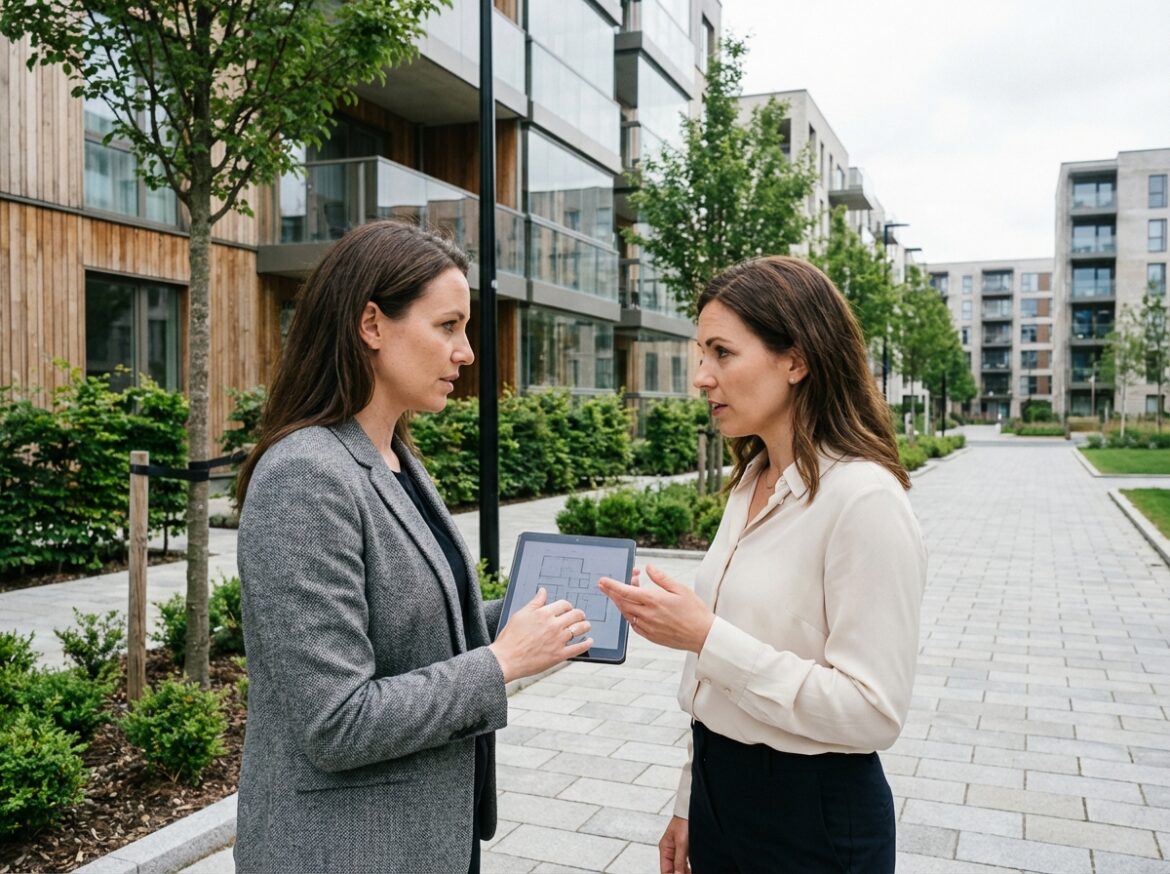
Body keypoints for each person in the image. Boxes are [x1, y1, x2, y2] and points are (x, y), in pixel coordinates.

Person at [232, 221, 594, 874]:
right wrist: (503, 663)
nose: (467, 353)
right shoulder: (307, 475)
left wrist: (521, 615)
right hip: (344, 851)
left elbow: (407, 623)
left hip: (425, 840)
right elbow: (337, 721)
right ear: (372, 324)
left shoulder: (394, 455)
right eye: (448, 326)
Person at [600, 255, 926, 874]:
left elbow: (872, 713)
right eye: (701, 354)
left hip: (811, 821)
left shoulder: (865, 501)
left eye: (722, 352)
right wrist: (690, 800)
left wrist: (704, 635)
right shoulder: (751, 480)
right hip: (722, 794)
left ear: (796, 360)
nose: (701, 377)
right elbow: (716, 688)